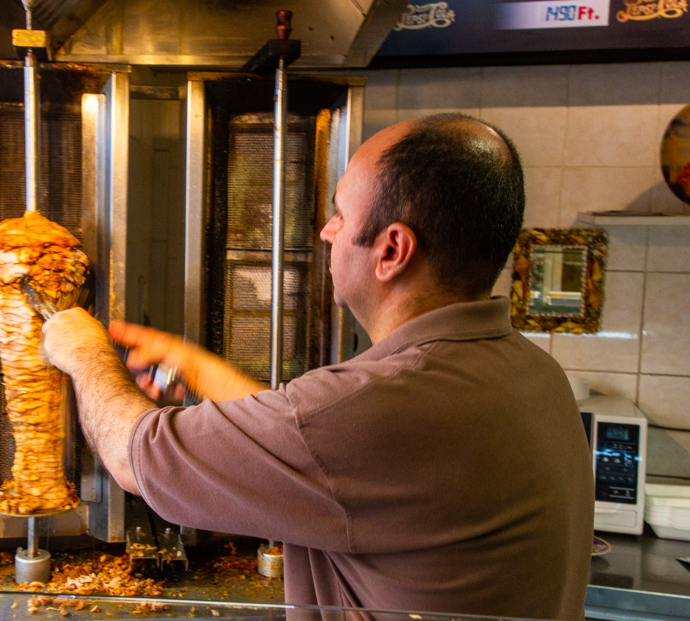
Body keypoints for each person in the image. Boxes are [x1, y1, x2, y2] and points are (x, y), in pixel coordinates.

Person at [42, 114, 594, 619]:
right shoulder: (533, 374)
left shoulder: (380, 405)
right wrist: (198, 368)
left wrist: (82, 349)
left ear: (392, 250)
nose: (327, 232)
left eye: (340, 214)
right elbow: (320, 451)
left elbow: (133, 459)